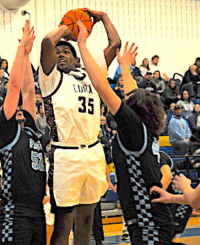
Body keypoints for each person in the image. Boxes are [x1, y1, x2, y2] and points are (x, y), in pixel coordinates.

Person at [75, 20, 174, 244]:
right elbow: (133, 95)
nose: (124, 98)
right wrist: (125, 67)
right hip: (151, 218)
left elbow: (101, 85)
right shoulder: (145, 128)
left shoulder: (134, 128)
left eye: (127, 100)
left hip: (148, 220)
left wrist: (82, 45)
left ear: (133, 110)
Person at [39, 9, 120, 244]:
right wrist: (72, 28)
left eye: (67, 52)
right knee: (63, 224)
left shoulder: (91, 75)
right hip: (66, 154)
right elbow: (47, 42)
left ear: (77, 59)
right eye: (58, 52)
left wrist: (104, 17)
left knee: (86, 223)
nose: (61, 54)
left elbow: (115, 44)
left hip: (94, 152)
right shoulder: (50, 78)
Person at [0, 20, 46, 244]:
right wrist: (19, 49)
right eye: (13, 109)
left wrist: (27, 55)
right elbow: (14, 87)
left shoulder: (32, 131)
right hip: (16, 212)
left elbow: (28, 90)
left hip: (38, 211)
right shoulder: (7, 133)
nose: (18, 110)